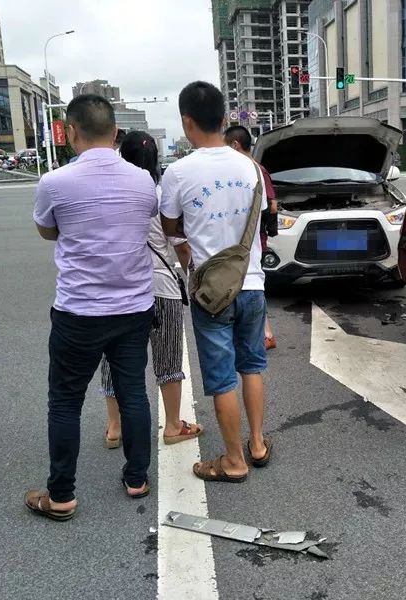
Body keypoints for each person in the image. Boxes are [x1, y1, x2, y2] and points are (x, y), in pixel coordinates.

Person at [26, 94, 158, 521]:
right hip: (134, 307)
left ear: (72, 133)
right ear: (115, 133)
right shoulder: (143, 181)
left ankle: (61, 495)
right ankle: (137, 478)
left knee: (65, 401)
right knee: (133, 391)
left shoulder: (54, 182)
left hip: (79, 311)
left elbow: (48, 232)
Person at [161, 81, 271, 483]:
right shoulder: (250, 166)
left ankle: (233, 460)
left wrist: (187, 249)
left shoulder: (178, 173)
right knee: (253, 366)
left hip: (212, 292)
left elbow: (170, 226)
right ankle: (257, 444)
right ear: (224, 120)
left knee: (222, 376)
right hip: (253, 283)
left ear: (187, 122)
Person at [100, 130, 201, 449]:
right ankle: (173, 425)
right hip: (163, 287)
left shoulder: (109, 196)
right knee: (168, 358)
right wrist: (190, 278)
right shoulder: (162, 196)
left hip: (118, 288)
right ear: (156, 160)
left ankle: (114, 427)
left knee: (113, 357)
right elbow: (182, 247)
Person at [224, 124, 278, 350]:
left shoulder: (254, 169)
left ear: (235, 145)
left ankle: (266, 334)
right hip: (248, 241)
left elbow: (272, 205)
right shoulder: (250, 169)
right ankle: (264, 333)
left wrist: (263, 227)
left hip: (252, 242)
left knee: (250, 284)